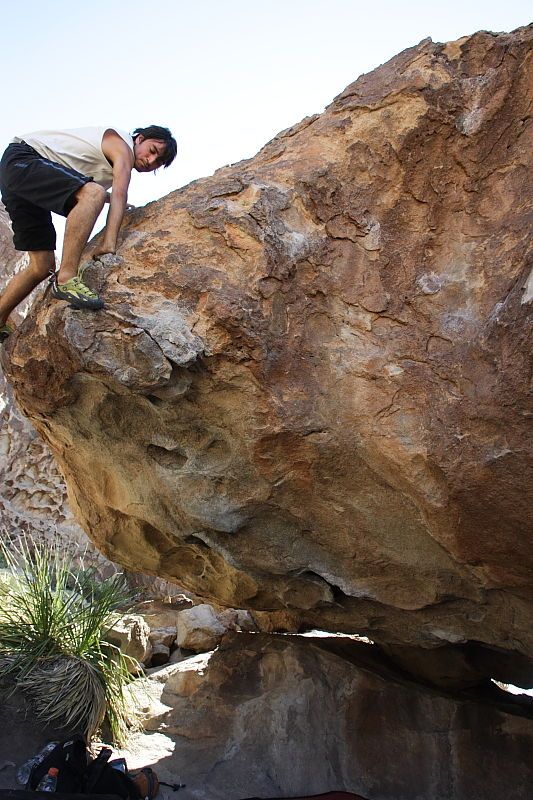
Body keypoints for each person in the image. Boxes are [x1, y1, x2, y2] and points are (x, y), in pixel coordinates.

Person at [0, 124, 177, 343]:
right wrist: (109, 242)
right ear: (139, 139)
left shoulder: (110, 159)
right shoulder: (122, 146)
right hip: (25, 159)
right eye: (152, 151)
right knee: (94, 194)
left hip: (18, 175)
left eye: (158, 163)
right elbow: (118, 191)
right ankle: (66, 279)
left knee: (41, 266)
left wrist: (106, 197)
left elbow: (82, 184)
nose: (150, 161)